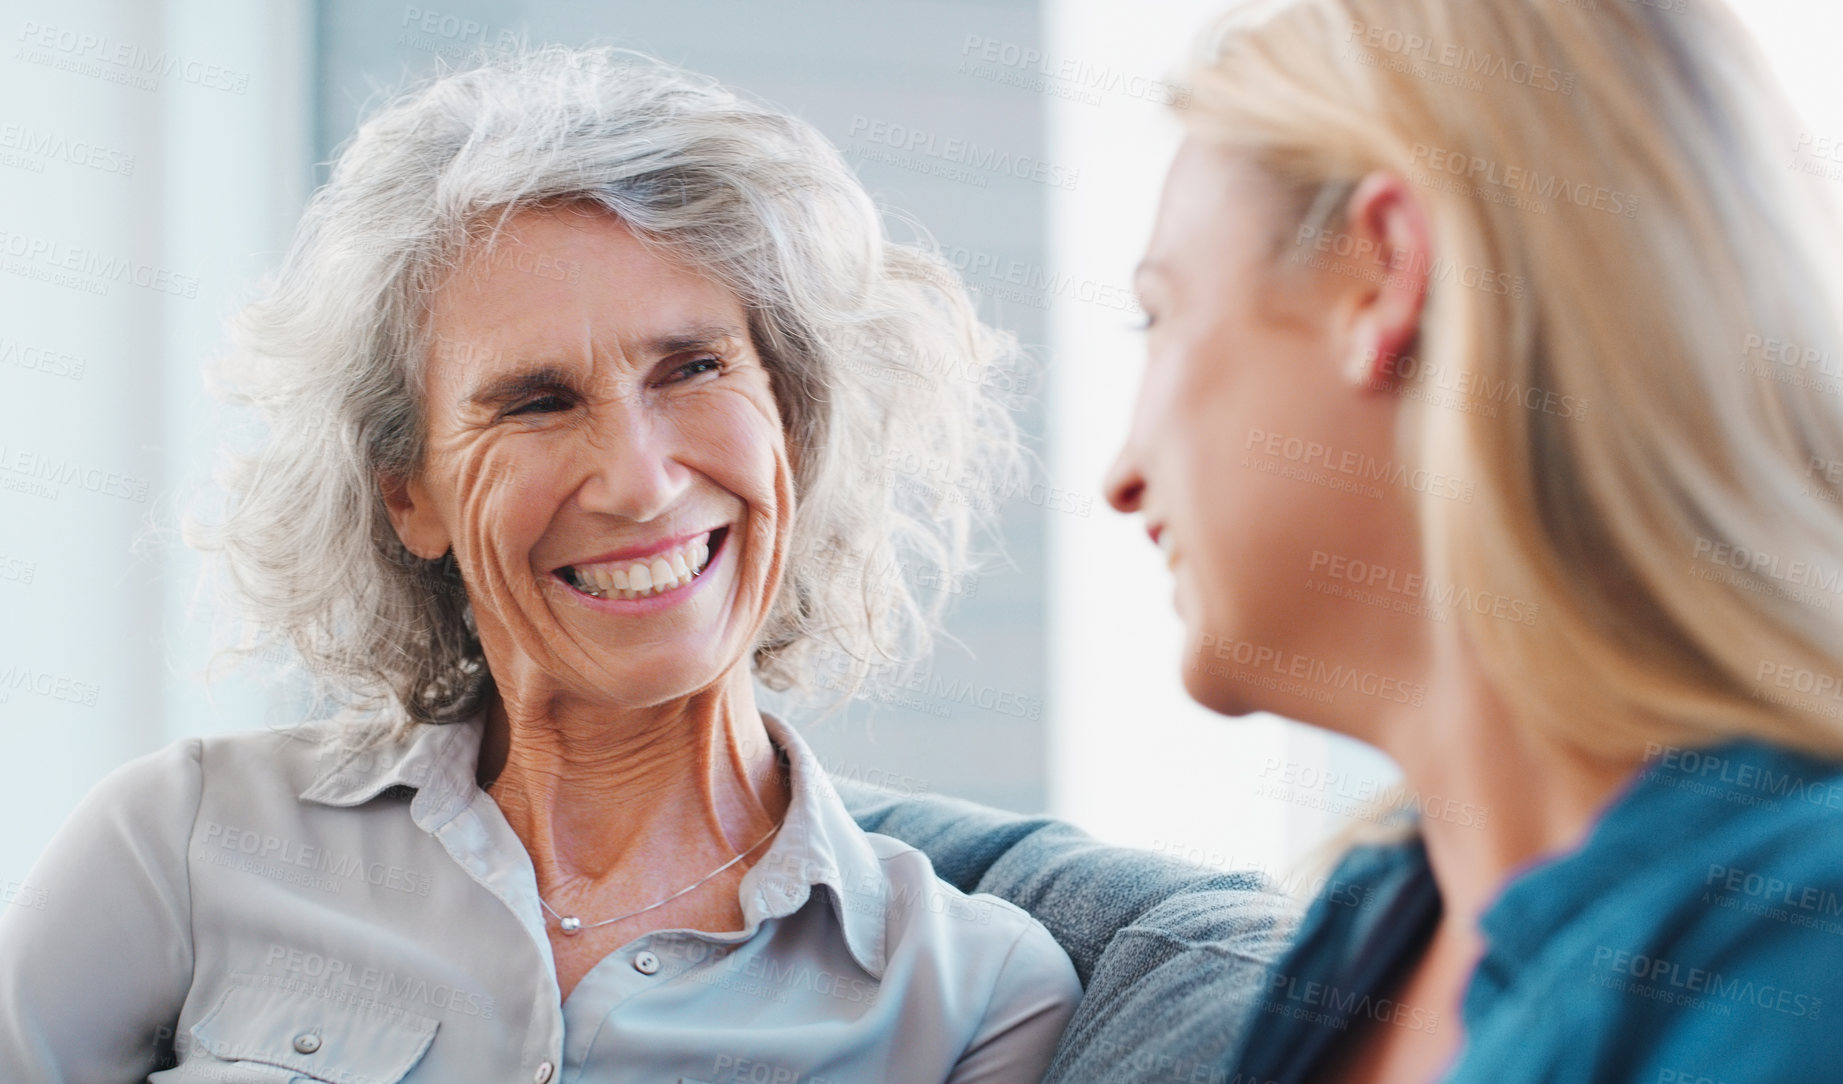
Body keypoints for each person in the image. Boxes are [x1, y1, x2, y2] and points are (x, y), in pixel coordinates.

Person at [0, 48, 1083, 1082]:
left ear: (791, 423)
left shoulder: (972, 994)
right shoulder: (182, 843)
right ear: (408, 494)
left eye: (695, 367)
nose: (640, 481)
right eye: (536, 402)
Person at [839, 0, 1843, 1080]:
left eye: (1160, 314)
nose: (1121, 474)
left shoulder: (1795, 951)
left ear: (1381, 277)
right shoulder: (1378, 917)